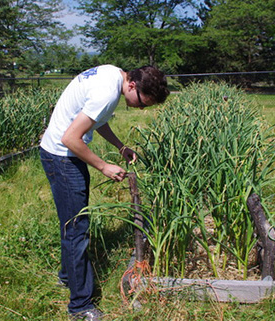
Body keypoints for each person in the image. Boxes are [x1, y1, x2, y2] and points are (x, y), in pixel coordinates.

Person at [39, 65, 169, 320]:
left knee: (72, 222)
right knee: (77, 229)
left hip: (62, 155)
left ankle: (67, 277)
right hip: (62, 157)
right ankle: (80, 306)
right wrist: (103, 166)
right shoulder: (107, 93)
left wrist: (121, 147)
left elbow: (97, 120)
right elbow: (70, 138)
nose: (140, 108)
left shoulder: (112, 73)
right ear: (132, 86)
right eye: (142, 104)